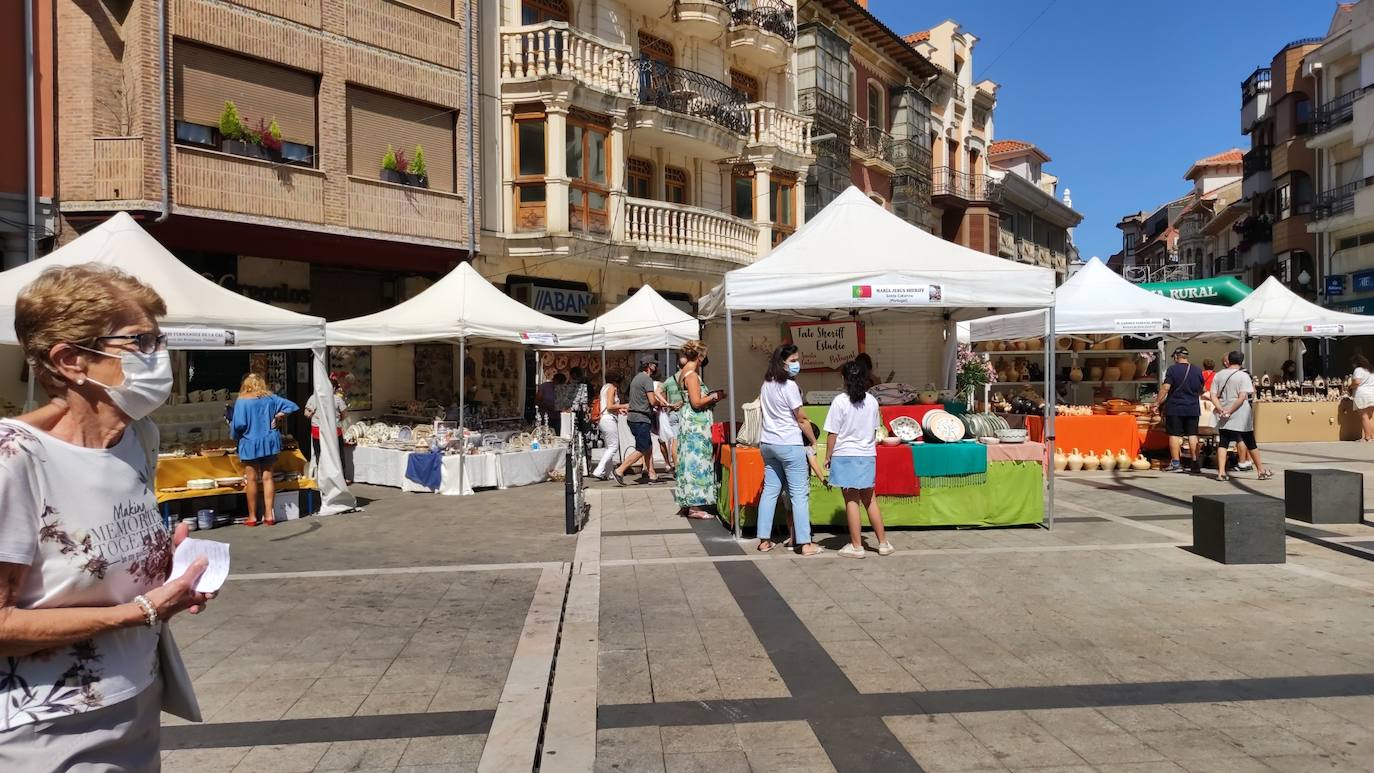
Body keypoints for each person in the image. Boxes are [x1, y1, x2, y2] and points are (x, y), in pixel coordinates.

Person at [0, 265, 213, 767]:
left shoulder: (139, 439)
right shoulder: (13, 459)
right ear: (71, 360)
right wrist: (139, 612)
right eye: (140, 341)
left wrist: (170, 568)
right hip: (47, 726)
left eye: (160, 340)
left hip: (138, 698)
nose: (160, 357)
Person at [756, 344, 821, 555]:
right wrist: (812, 441)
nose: (796, 364)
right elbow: (801, 418)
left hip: (768, 443)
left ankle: (764, 540)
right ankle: (805, 543)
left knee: (770, 491)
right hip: (789, 443)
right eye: (793, 360)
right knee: (799, 494)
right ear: (782, 362)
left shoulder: (767, 384)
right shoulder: (790, 386)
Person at [826, 360, 895, 559]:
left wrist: (828, 455)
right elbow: (875, 429)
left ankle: (857, 546)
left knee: (851, 501)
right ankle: (883, 543)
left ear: (844, 379)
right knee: (869, 499)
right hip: (866, 454)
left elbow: (833, 433)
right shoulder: (872, 402)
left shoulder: (839, 401)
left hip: (845, 454)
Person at [231, 373, 299, 526]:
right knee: (268, 478)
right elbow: (292, 406)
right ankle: (269, 515)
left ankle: (253, 517)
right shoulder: (270, 398)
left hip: (249, 442)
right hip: (269, 441)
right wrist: (278, 416)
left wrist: (235, 436)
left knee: (252, 479)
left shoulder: (242, 401)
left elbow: (239, 425)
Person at [673, 342, 723, 518]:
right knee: (697, 460)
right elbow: (696, 402)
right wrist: (714, 396)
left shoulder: (682, 374)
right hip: (696, 424)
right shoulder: (692, 375)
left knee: (687, 460)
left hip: (689, 422)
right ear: (700, 356)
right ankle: (695, 505)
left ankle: (688, 502)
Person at [1206, 350, 1272, 481]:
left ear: (1228, 361)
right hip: (1241, 413)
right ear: (1241, 362)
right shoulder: (1243, 376)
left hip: (1223, 412)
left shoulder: (1218, 375)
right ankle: (1260, 471)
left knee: (1223, 443)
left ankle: (1221, 472)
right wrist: (1231, 410)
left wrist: (1221, 409)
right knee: (1250, 442)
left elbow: (1212, 395)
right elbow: (1243, 397)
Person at [611, 355, 664, 485]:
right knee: (643, 448)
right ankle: (619, 470)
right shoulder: (646, 379)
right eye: (654, 364)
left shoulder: (636, 378)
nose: (656, 366)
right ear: (648, 365)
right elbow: (652, 401)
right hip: (641, 418)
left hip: (634, 417)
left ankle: (651, 473)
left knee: (649, 446)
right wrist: (663, 403)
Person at [1152, 346, 1204, 473]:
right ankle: (1195, 462)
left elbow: (1165, 388)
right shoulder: (1197, 370)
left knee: (1174, 435)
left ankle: (1176, 464)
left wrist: (1156, 403)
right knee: (1192, 434)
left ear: (1176, 356)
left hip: (1175, 407)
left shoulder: (1172, 370)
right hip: (1192, 407)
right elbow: (1201, 389)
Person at [304, 376, 348, 483]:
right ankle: (340, 478)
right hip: (332, 431)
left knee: (320, 454)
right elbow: (344, 414)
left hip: (319, 431)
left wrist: (314, 414)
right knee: (336, 454)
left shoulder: (314, 398)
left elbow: (307, 414)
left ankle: (323, 477)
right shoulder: (336, 399)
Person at [593, 371, 629, 480]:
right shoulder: (612, 388)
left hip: (604, 419)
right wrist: (624, 405)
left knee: (609, 447)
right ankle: (599, 470)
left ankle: (607, 472)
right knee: (613, 446)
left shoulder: (604, 387)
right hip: (609, 420)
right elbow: (609, 406)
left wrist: (619, 410)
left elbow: (607, 406)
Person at [1351, 355, 1374, 441]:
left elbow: (1357, 382)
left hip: (1362, 394)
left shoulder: (1358, 370)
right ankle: (1371, 436)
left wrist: (1350, 386)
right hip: (1372, 393)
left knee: (1364, 416)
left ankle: (1367, 438)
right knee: (1370, 417)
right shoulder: (1371, 370)